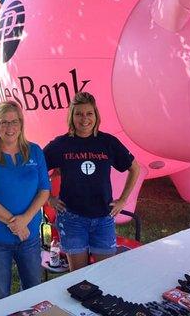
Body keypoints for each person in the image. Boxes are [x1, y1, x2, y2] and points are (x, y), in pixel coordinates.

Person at [43, 91, 140, 271]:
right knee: (79, 277)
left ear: (96, 115)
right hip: (72, 218)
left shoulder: (108, 142)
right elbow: (38, 168)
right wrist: (49, 197)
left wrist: (123, 200)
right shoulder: (61, 144)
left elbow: (135, 168)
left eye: (89, 113)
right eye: (78, 113)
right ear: (72, 116)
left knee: (104, 274)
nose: (84, 118)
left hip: (103, 218)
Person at [0, 101, 50, 303]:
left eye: (14, 122)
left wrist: (25, 220)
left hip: (29, 235)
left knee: (33, 290)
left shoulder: (35, 151)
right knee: (0, 294)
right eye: (4, 122)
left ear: (21, 124)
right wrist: (15, 224)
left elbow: (44, 191)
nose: (10, 128)